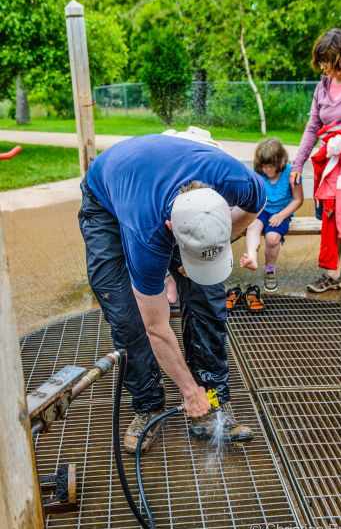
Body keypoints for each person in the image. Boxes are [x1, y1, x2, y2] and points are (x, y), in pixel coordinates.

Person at [78, 133, 266, 453]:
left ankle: (212, 402)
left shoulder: (237, 180)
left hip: (157, 181)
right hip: (105, 199)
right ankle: (147, 405)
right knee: (127, 314)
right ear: (169, 229)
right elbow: (156, 328)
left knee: (207, 298)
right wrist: (186, 388)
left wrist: (207, 252)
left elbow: (253, 210)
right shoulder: (146, 235)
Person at [292, 28, 341, 302]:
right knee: (332, 218)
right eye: (321, 61)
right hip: (330, 165)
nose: (324, 68)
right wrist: (298, 163)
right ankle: (333, 274)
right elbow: (313, 126)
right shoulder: (323, 85)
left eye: (328, 61)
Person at [240, 139, 303, 291]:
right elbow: (253, 197)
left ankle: (269, 270)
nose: (267, 169)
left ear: (280, 161)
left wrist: (281, 215)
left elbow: (298, 200)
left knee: (272, 238)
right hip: (262, 209)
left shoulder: (291, 172)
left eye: (271, 166)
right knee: (253, 226)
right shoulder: (257, 174)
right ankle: (251, 258)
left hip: (282, 211)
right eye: (264, 166)